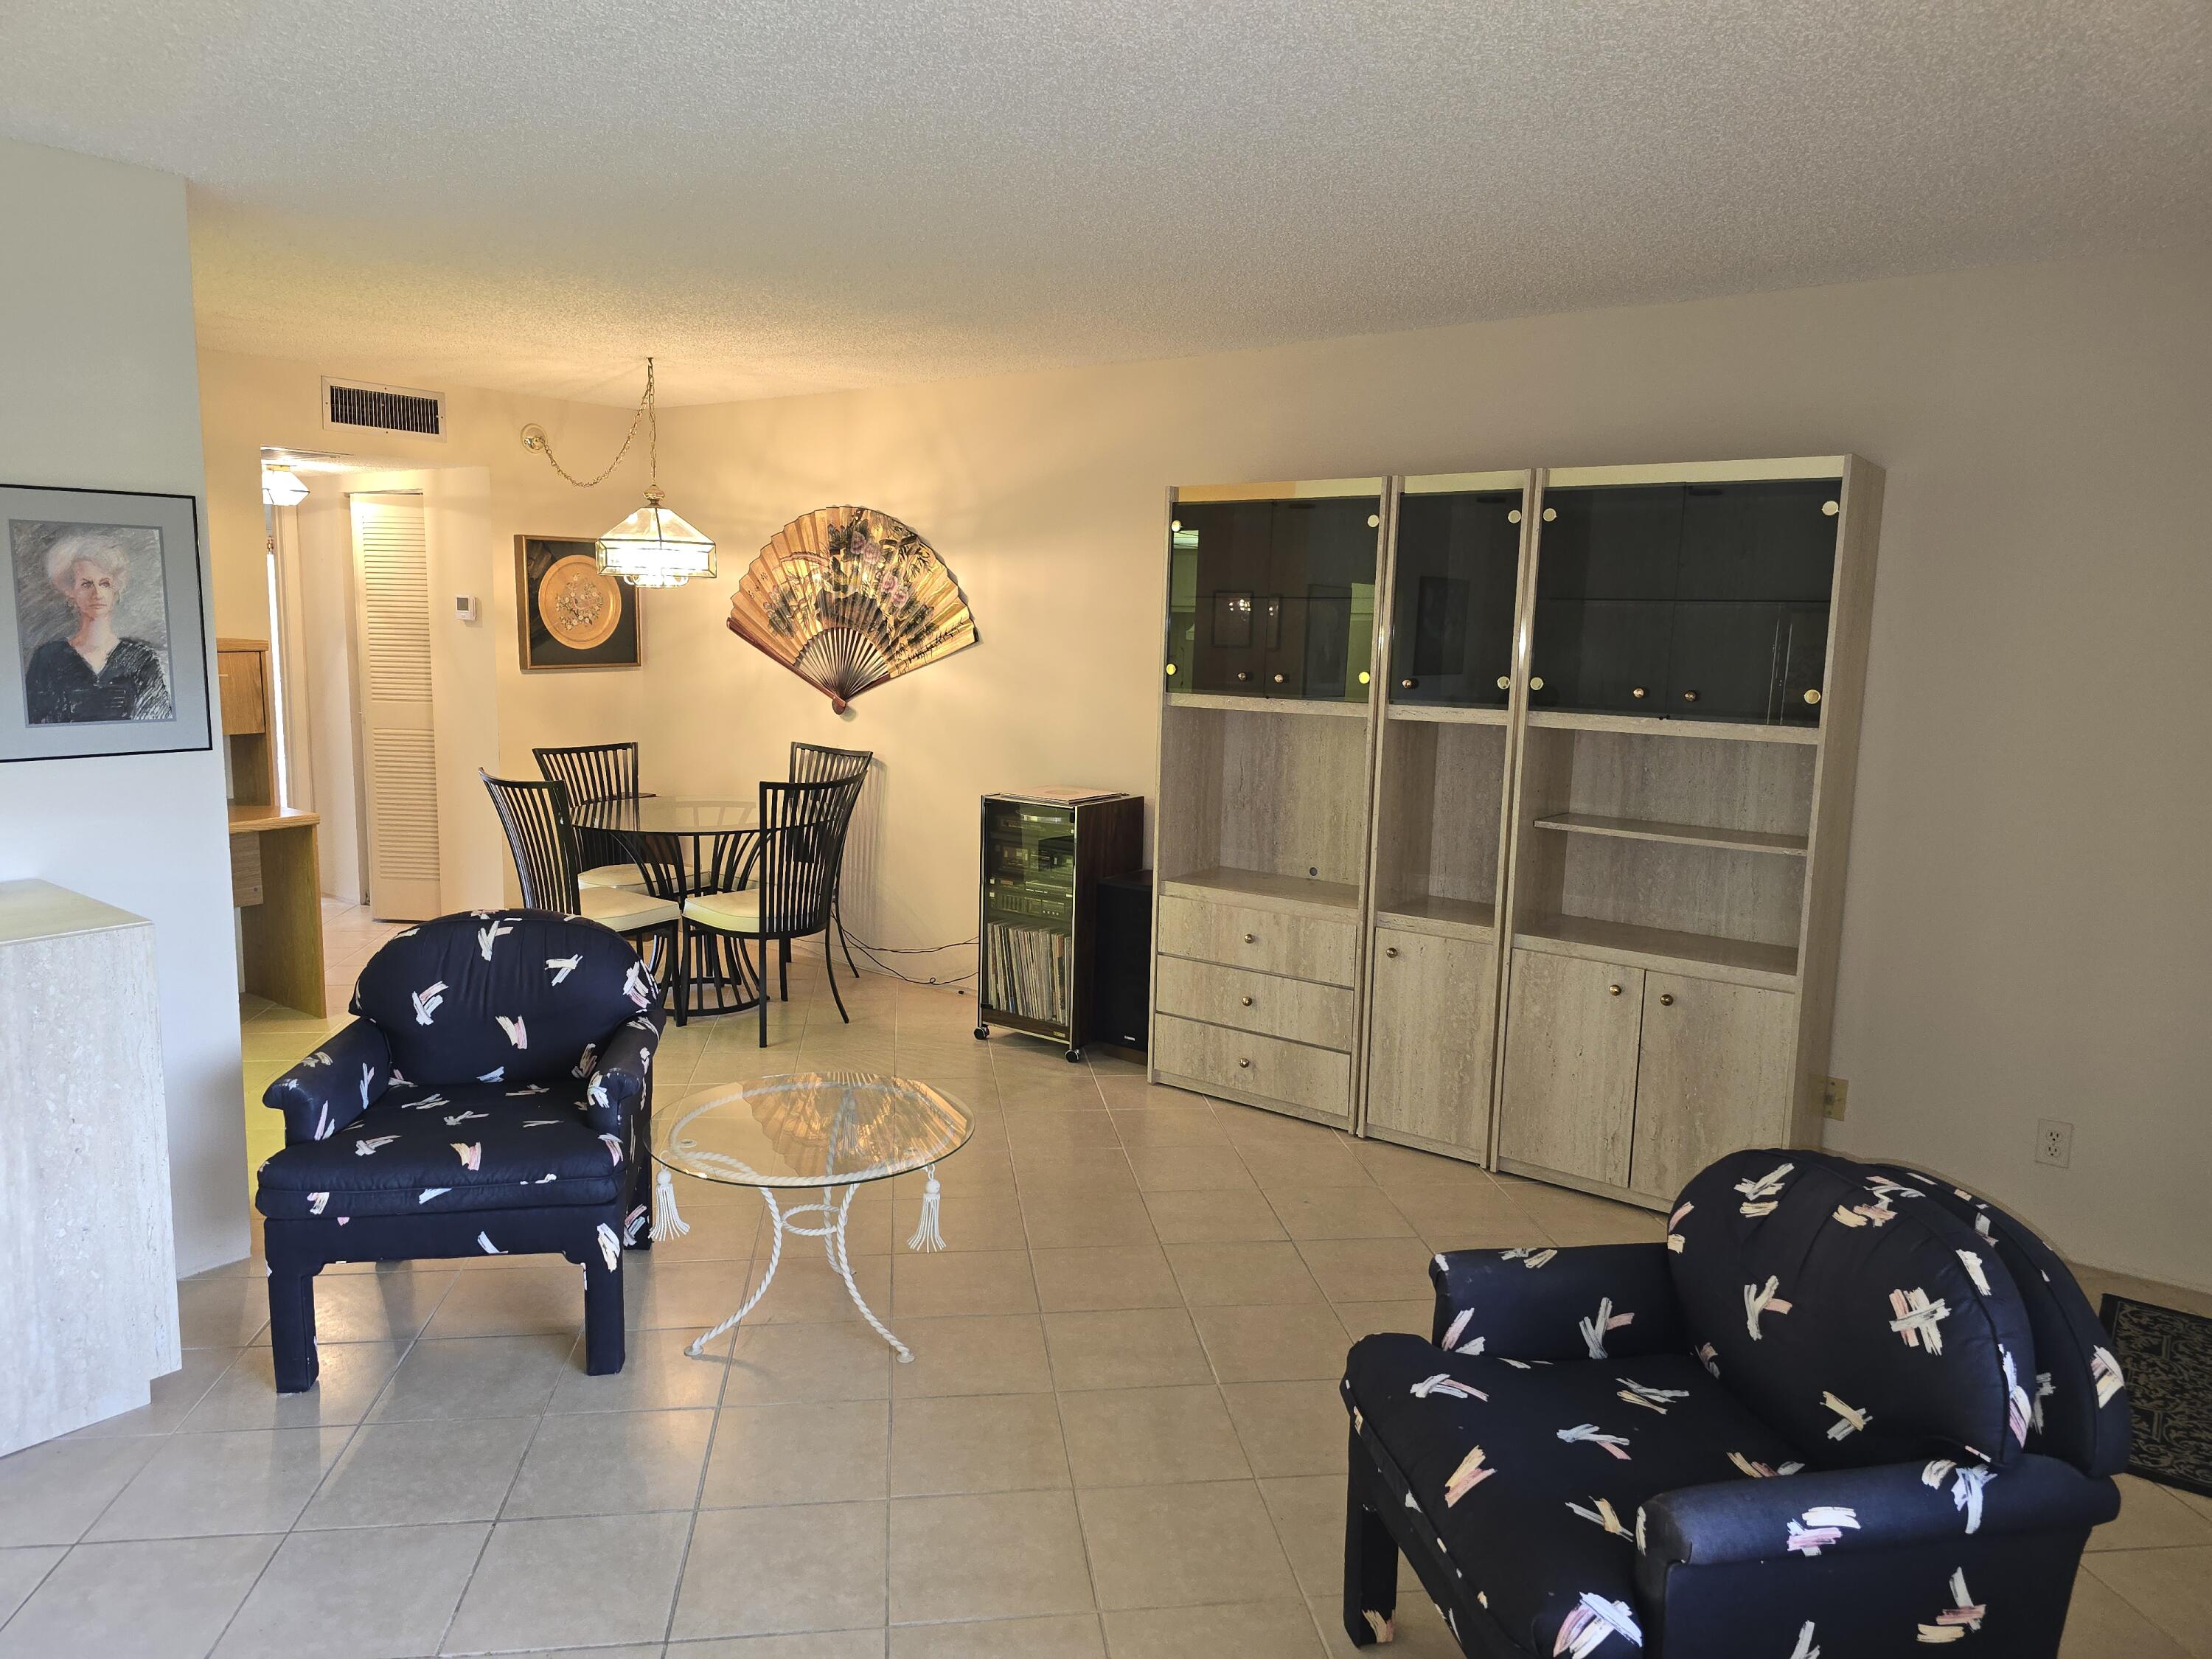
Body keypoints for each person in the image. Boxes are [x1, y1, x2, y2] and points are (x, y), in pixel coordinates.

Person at [22, 529, 172, 723]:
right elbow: (36, 727)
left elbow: (158, 726)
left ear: (115, 591)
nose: (97, 593)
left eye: (105, 583)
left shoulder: (142, 659)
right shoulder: (48, 659)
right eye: (86, 584)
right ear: (70, 592)